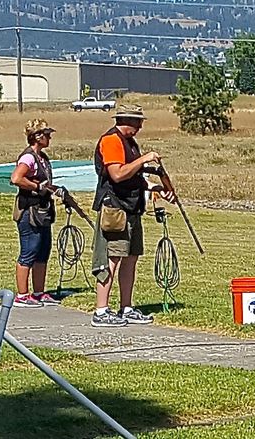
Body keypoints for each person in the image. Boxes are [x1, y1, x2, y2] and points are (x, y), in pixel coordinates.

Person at [90, 105, 175, 327]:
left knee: (130, 258)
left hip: (132, 207)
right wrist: (144, 159)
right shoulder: (111, 141)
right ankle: (101, 310)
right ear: (126, 120)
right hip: (115, 208)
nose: (140, 127)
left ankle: (126, 307)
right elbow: (117, 174)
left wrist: (155, 188)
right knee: (111, 258)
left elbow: (133, 176)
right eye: (137, 122)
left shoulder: (130, 143)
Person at [10, 119, 65, 307]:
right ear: (37, 137)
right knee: (29, 251)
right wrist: (36, 186)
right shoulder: (28, 158)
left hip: (42, 211)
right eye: (47, 134)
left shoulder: (42, 157)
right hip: (29, 211)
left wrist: (55, 189)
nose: (50, 137)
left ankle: (39, 293)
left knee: (42, 251)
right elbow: (16, 178)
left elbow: (44, 184)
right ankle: (22, 295)